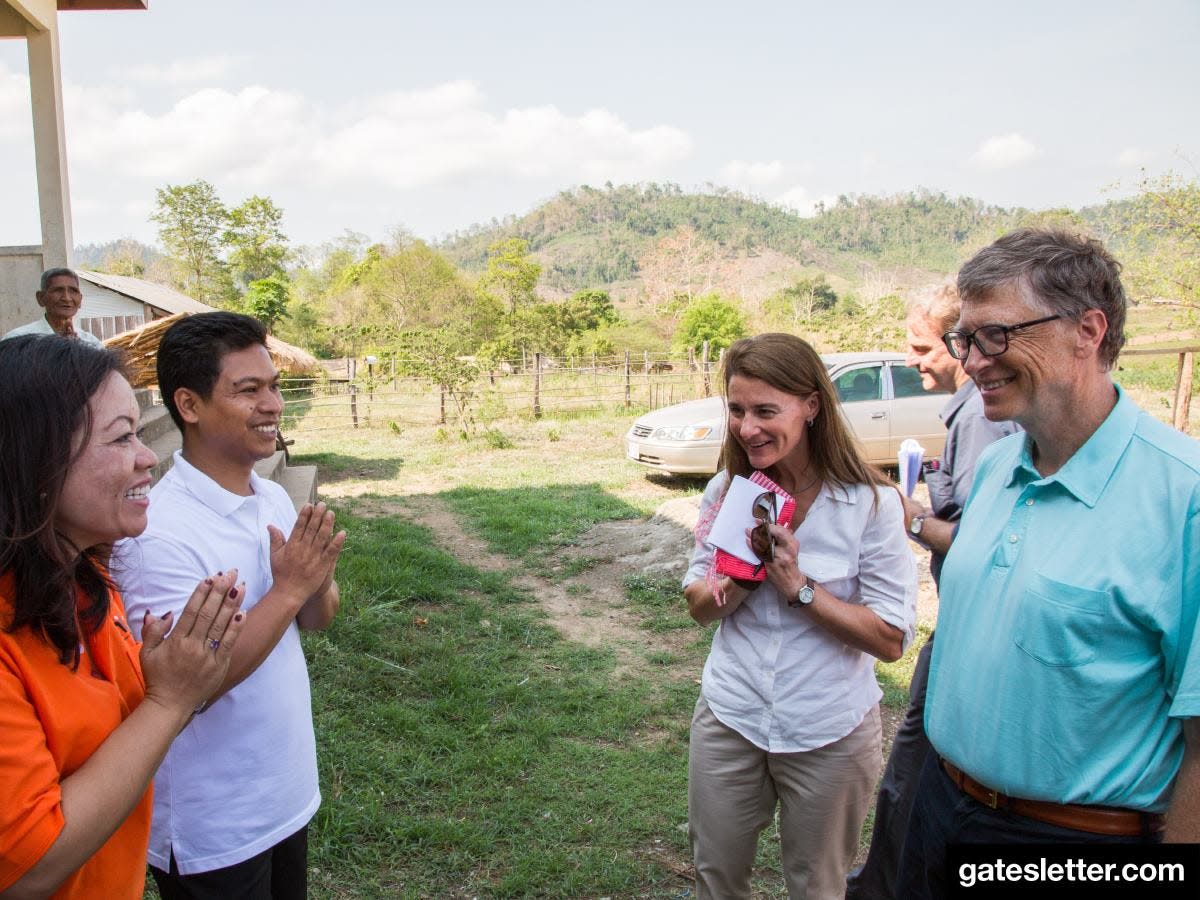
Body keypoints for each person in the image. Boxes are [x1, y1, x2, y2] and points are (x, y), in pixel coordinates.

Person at [899, 228, 1200, 898]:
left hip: (1069, 844)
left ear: (1086, 330)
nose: (972, 362)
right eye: (965, 340)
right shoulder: (1003, 461)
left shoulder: (1185, 498)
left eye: (995, 335)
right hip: (940, 804)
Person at [0, 335, 245, 899]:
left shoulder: (83, 580)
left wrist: (165, 682)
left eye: (138, 431)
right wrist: (170, 700)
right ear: (36, 461)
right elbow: (29, 866)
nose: (147, 455)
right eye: (121, 437)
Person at [114, 312, 345, 900]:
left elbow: (318, 619)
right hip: (213, 824)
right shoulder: (157, 536)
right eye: (248, 390)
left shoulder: (268, 493)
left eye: (272, 386)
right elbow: (192, 687)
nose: (272, 404)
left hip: (284, 792)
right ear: (188, 406)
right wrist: (289, 587)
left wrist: (313, 581)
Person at [683, 333, 917, 900]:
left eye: (766, 411)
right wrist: (740, 572)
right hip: (732, 714)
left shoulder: (871, 504)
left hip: (828, 729)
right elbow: (697, 606)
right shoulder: (727, 490)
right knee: (717, 874)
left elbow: (890, 640)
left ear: (811, 406)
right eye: (737, 410)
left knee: (817, 885)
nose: (748, 427)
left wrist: (799, 586)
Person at [846, 283, 1018, 900]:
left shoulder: (980, 416)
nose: (917, 359)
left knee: (916, 765)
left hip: (969, 624)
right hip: (967, 619)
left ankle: (883, 886)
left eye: (927, 346)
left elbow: (982, 539)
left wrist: (910, 517)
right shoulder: (971, 413)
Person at [2, 268, 103, 347]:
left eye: (73, 291)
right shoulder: (17, 340)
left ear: (80, 300)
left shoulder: (91, 344)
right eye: (58, 290)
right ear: (41, 298)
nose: (67, 298)